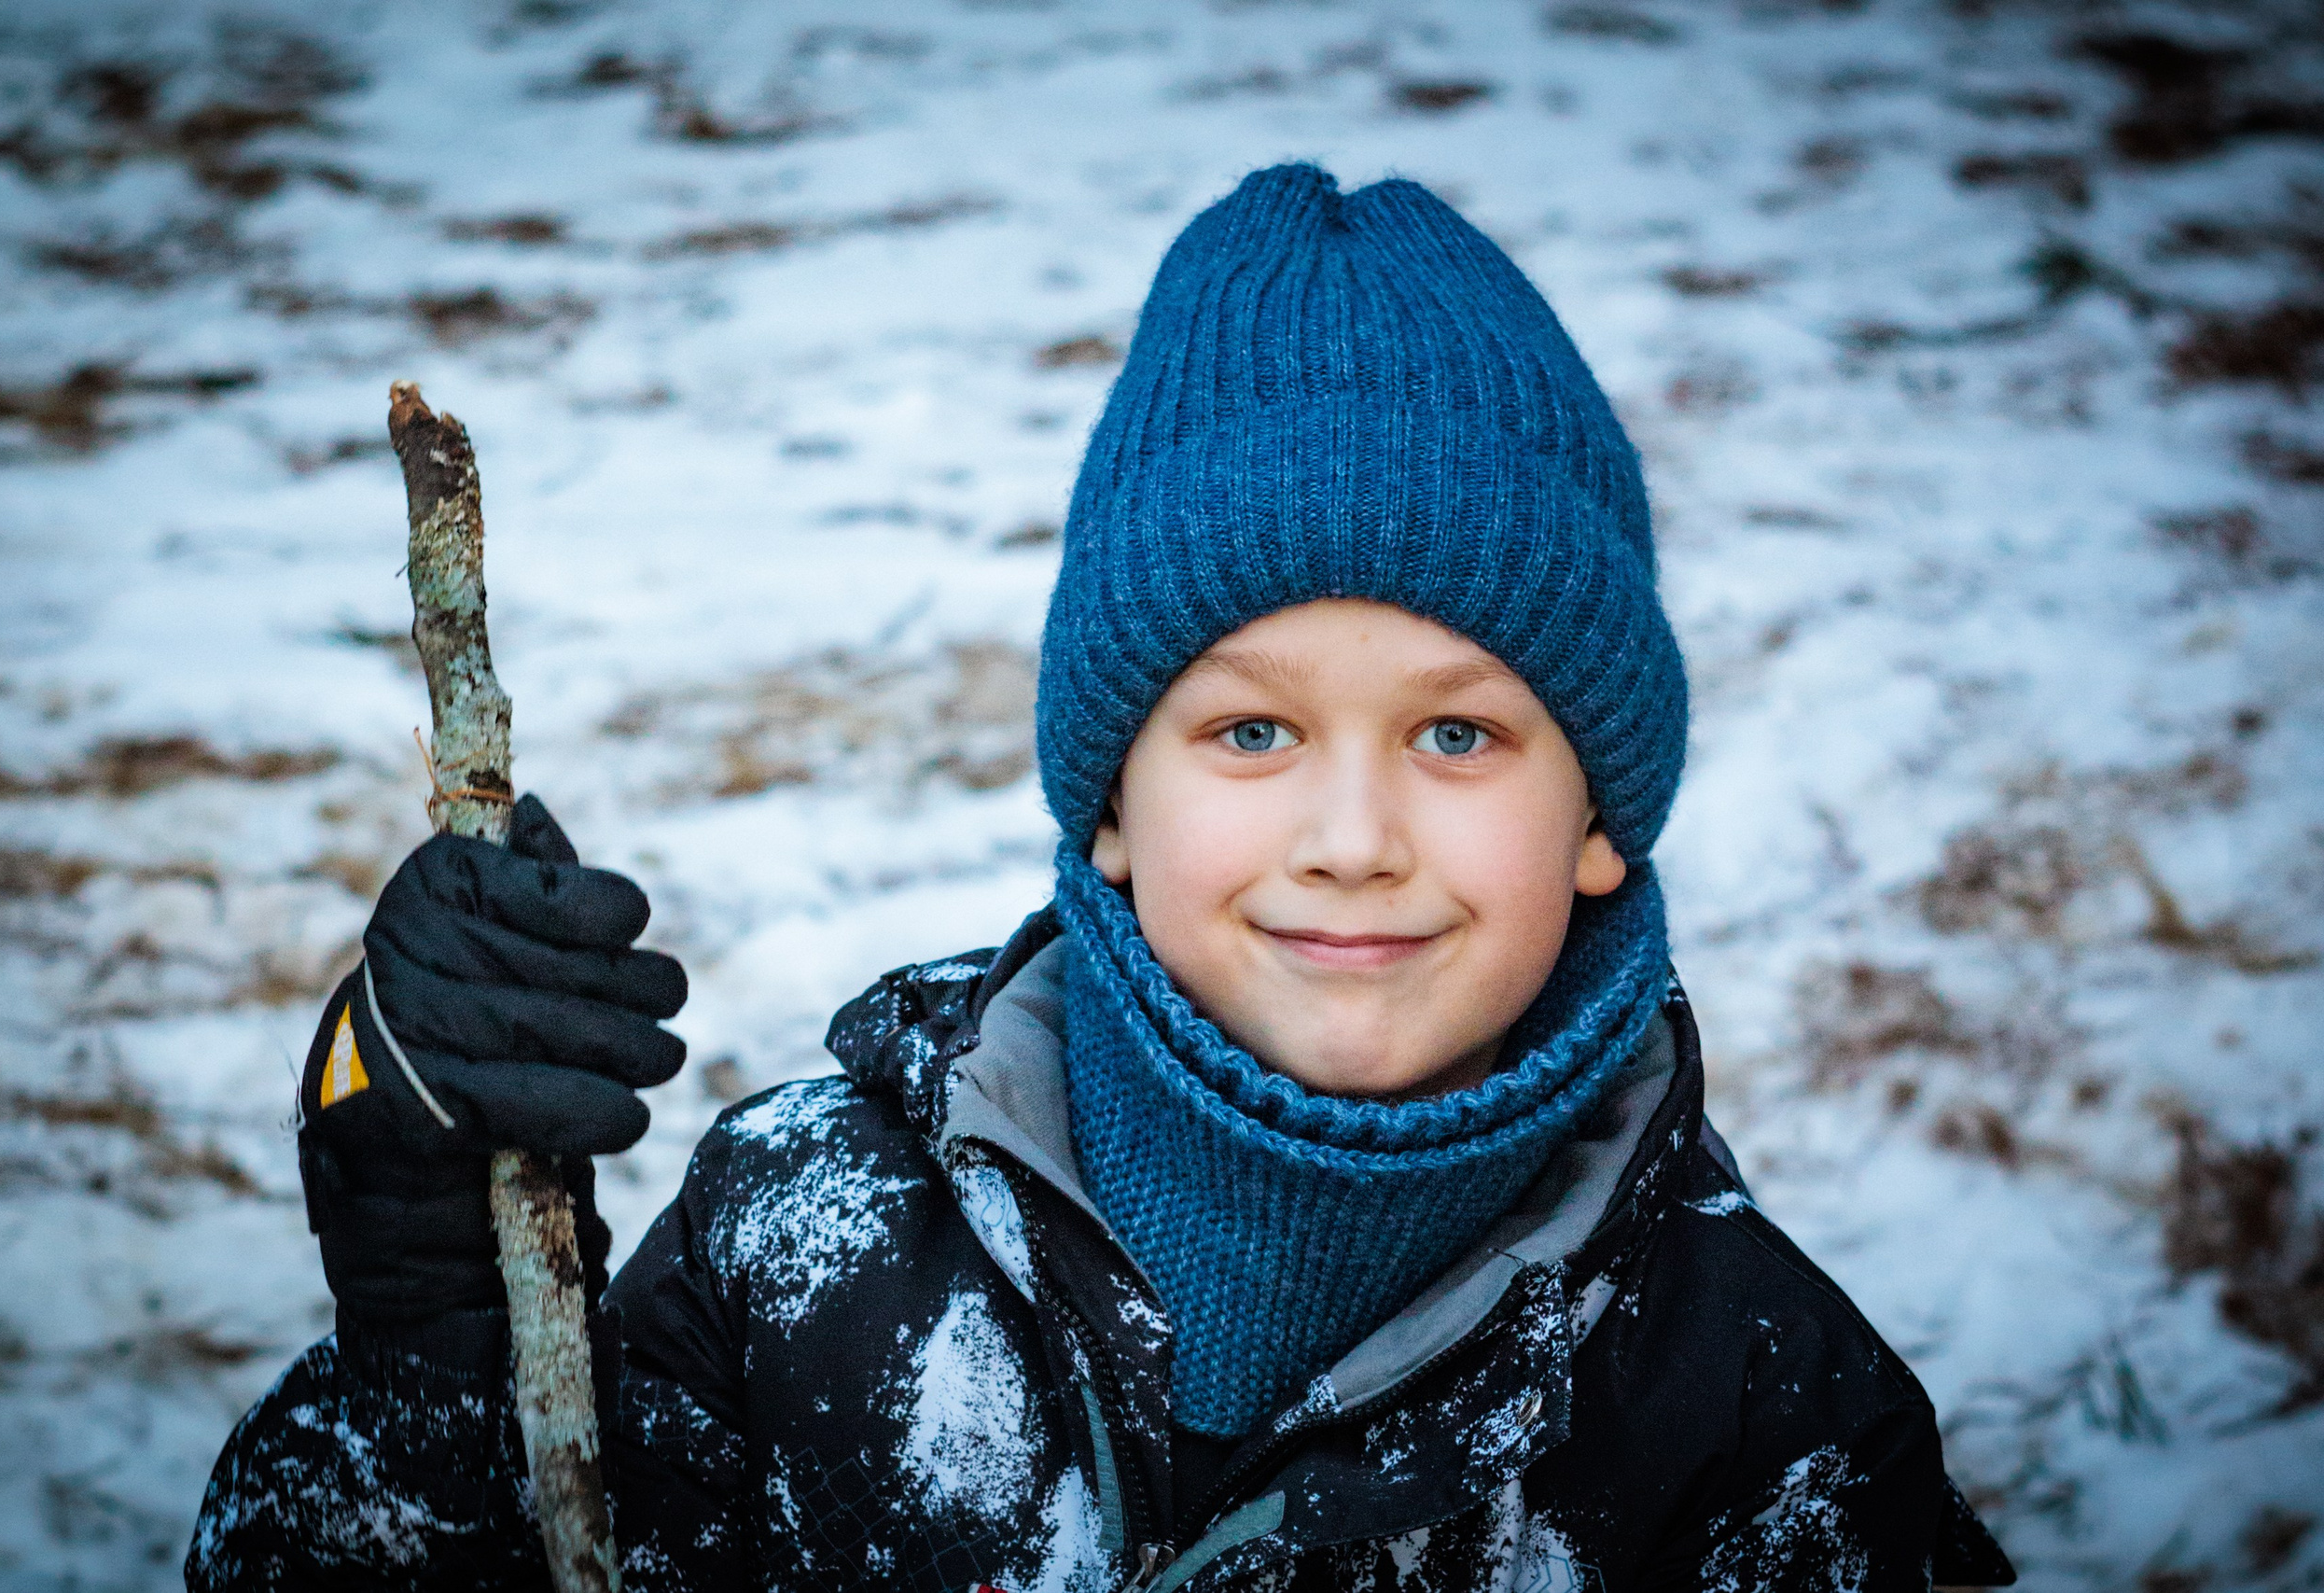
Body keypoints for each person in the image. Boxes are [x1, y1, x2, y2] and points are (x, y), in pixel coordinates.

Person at [188, 163, 2014, 1592]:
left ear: (1601, 809)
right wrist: (431, 1286)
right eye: (1251, 730)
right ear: (1111, 807)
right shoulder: (803, 1245)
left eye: (1457, 734)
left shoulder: (1761, 1413)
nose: (1353, 834)